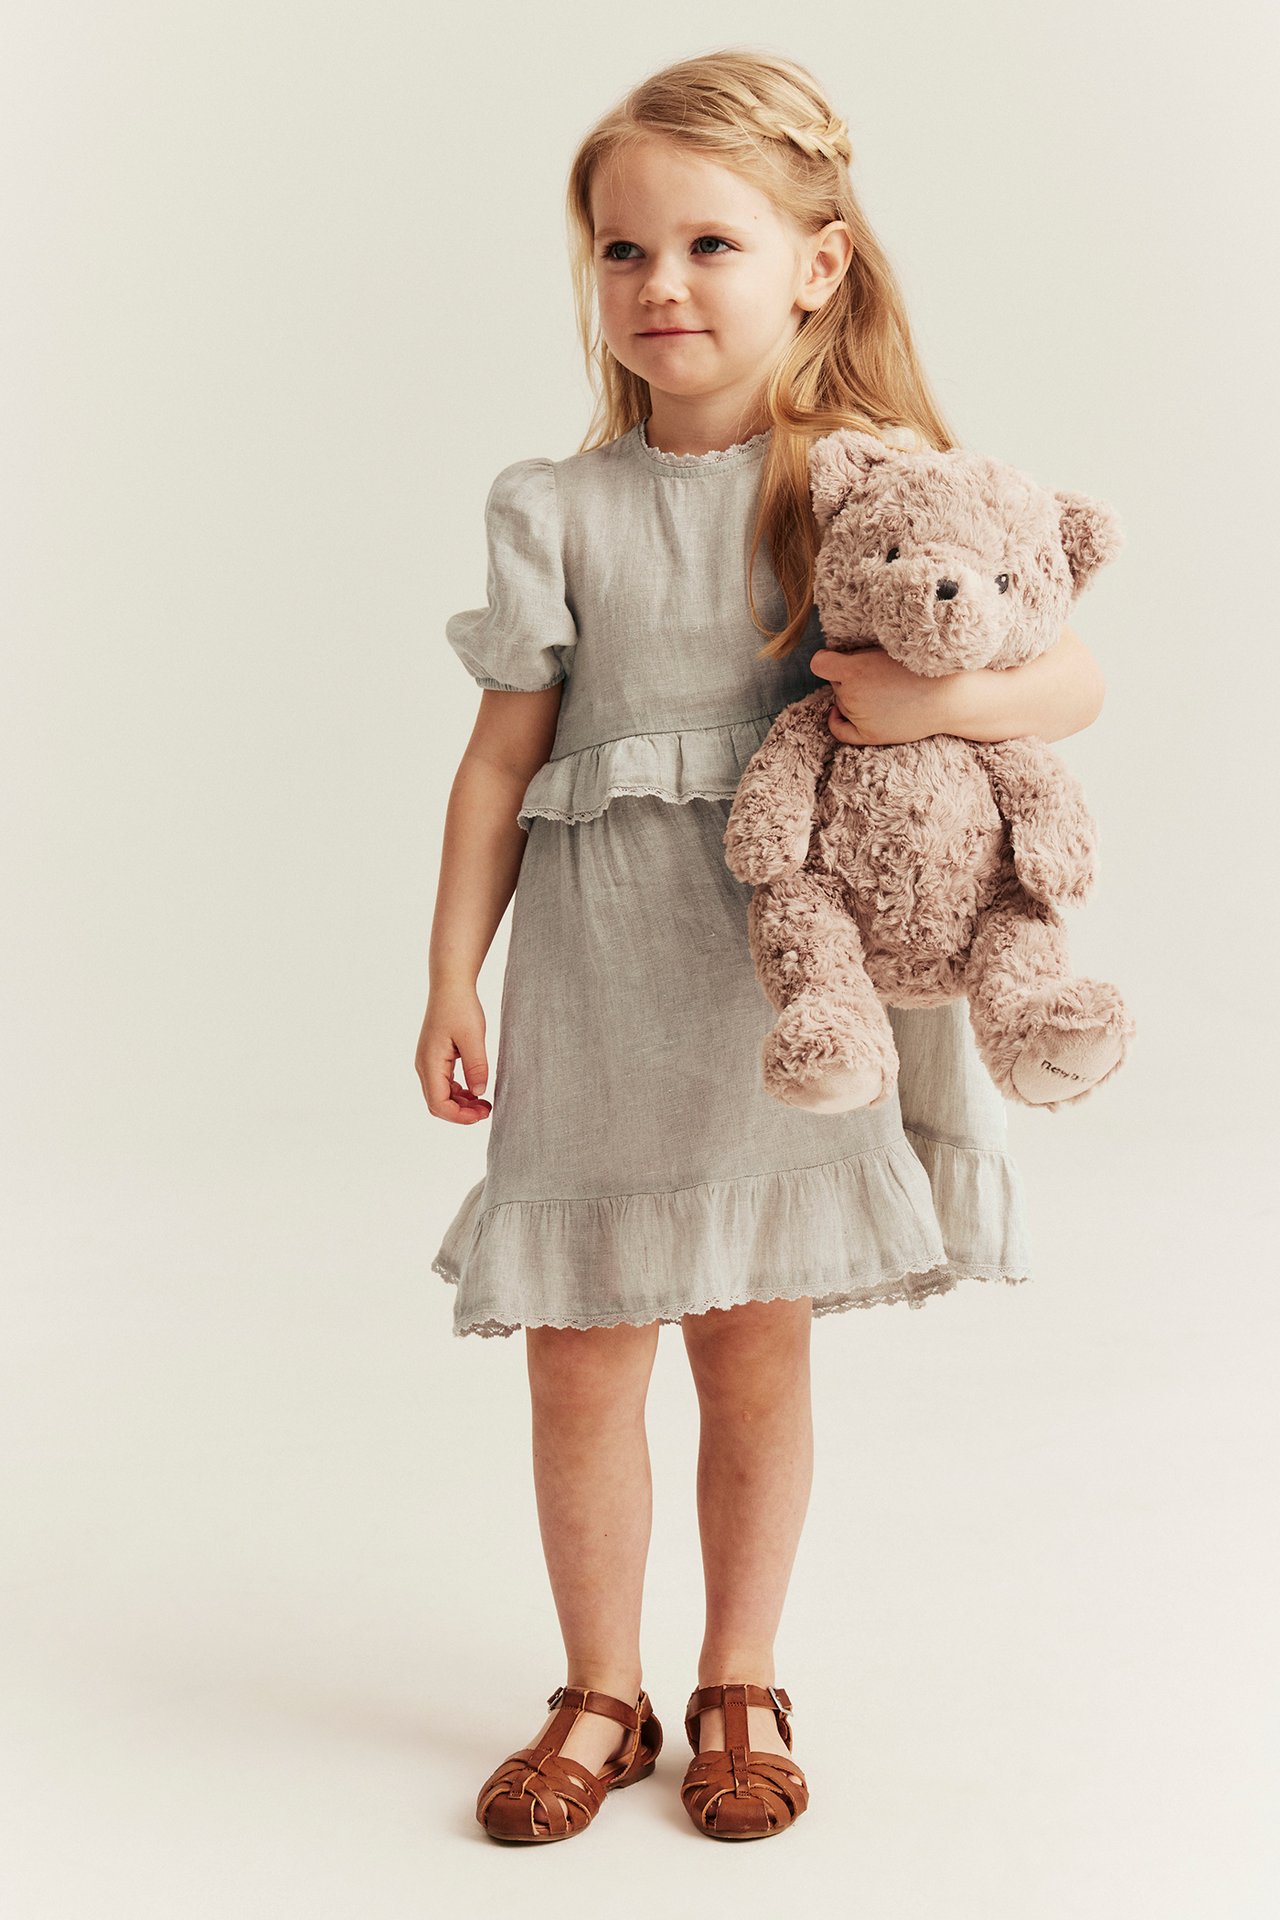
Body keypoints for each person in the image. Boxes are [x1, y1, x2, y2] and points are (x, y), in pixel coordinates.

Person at [414, 49, 1107, 1844]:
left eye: (708, 244)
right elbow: (500, 762)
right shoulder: (553, 508)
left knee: (752, 1332)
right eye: (623, 252)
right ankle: (597, 1688)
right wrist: (446, 979)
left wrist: (942, 687)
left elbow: (1075, 676)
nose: (659, 286)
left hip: (779, 990)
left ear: (817, 264)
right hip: (603, 972)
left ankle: (740, 1675)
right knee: (582, 1343)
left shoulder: (861, 486)